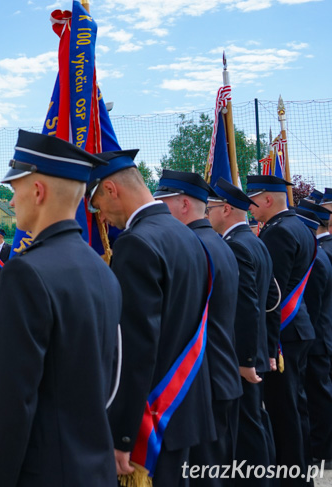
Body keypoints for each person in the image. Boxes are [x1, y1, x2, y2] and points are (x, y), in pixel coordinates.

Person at [0, 130, 120, 486]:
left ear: (37, 192)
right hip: (93, 472)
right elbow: (110, 384)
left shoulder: (26, 273)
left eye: (15, 187)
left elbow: (9, 407)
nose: (12, 199)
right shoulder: (103, 271)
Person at [86, 149, 215, 486]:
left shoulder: (136, 244)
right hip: (186, 407)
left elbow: (136, 349)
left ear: (112, 189)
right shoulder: (190, 236)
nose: (101, 217)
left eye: (97, 204)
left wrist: (123, 436)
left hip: (152, 421)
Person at [153, 171, 242, 483]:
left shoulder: (193, 247)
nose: (159, 211)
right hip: (222, 373)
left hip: (201, 377)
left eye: (163, 203)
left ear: (184, 205)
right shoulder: (218, 244)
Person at [207, 178, 277, 484]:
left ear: (225, 209)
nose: (206, 214)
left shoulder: (236, 246)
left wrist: (246, 360)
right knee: (256, 422)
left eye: (209, 209)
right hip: (255, 349)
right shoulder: (255, 242)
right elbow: (270, 301)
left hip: (242, 355)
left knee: (249, 429)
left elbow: (247, 307)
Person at [248, 175, 317, 485]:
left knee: (283, 412)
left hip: (283, 334)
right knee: (295, 408)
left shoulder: (278, 233)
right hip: (298, 329)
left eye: (253, 200)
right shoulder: (299, 227)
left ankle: (292, 477)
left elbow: (271, 297)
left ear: (267, 199)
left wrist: (270, 345)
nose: (249, 207)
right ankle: (301, 474)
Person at [294, 201, 332, 464]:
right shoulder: (318, 254)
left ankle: (323, 451)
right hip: (321, 338)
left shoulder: (317, 259)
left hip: (318, 340)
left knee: (319, 397)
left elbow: (314, 307)